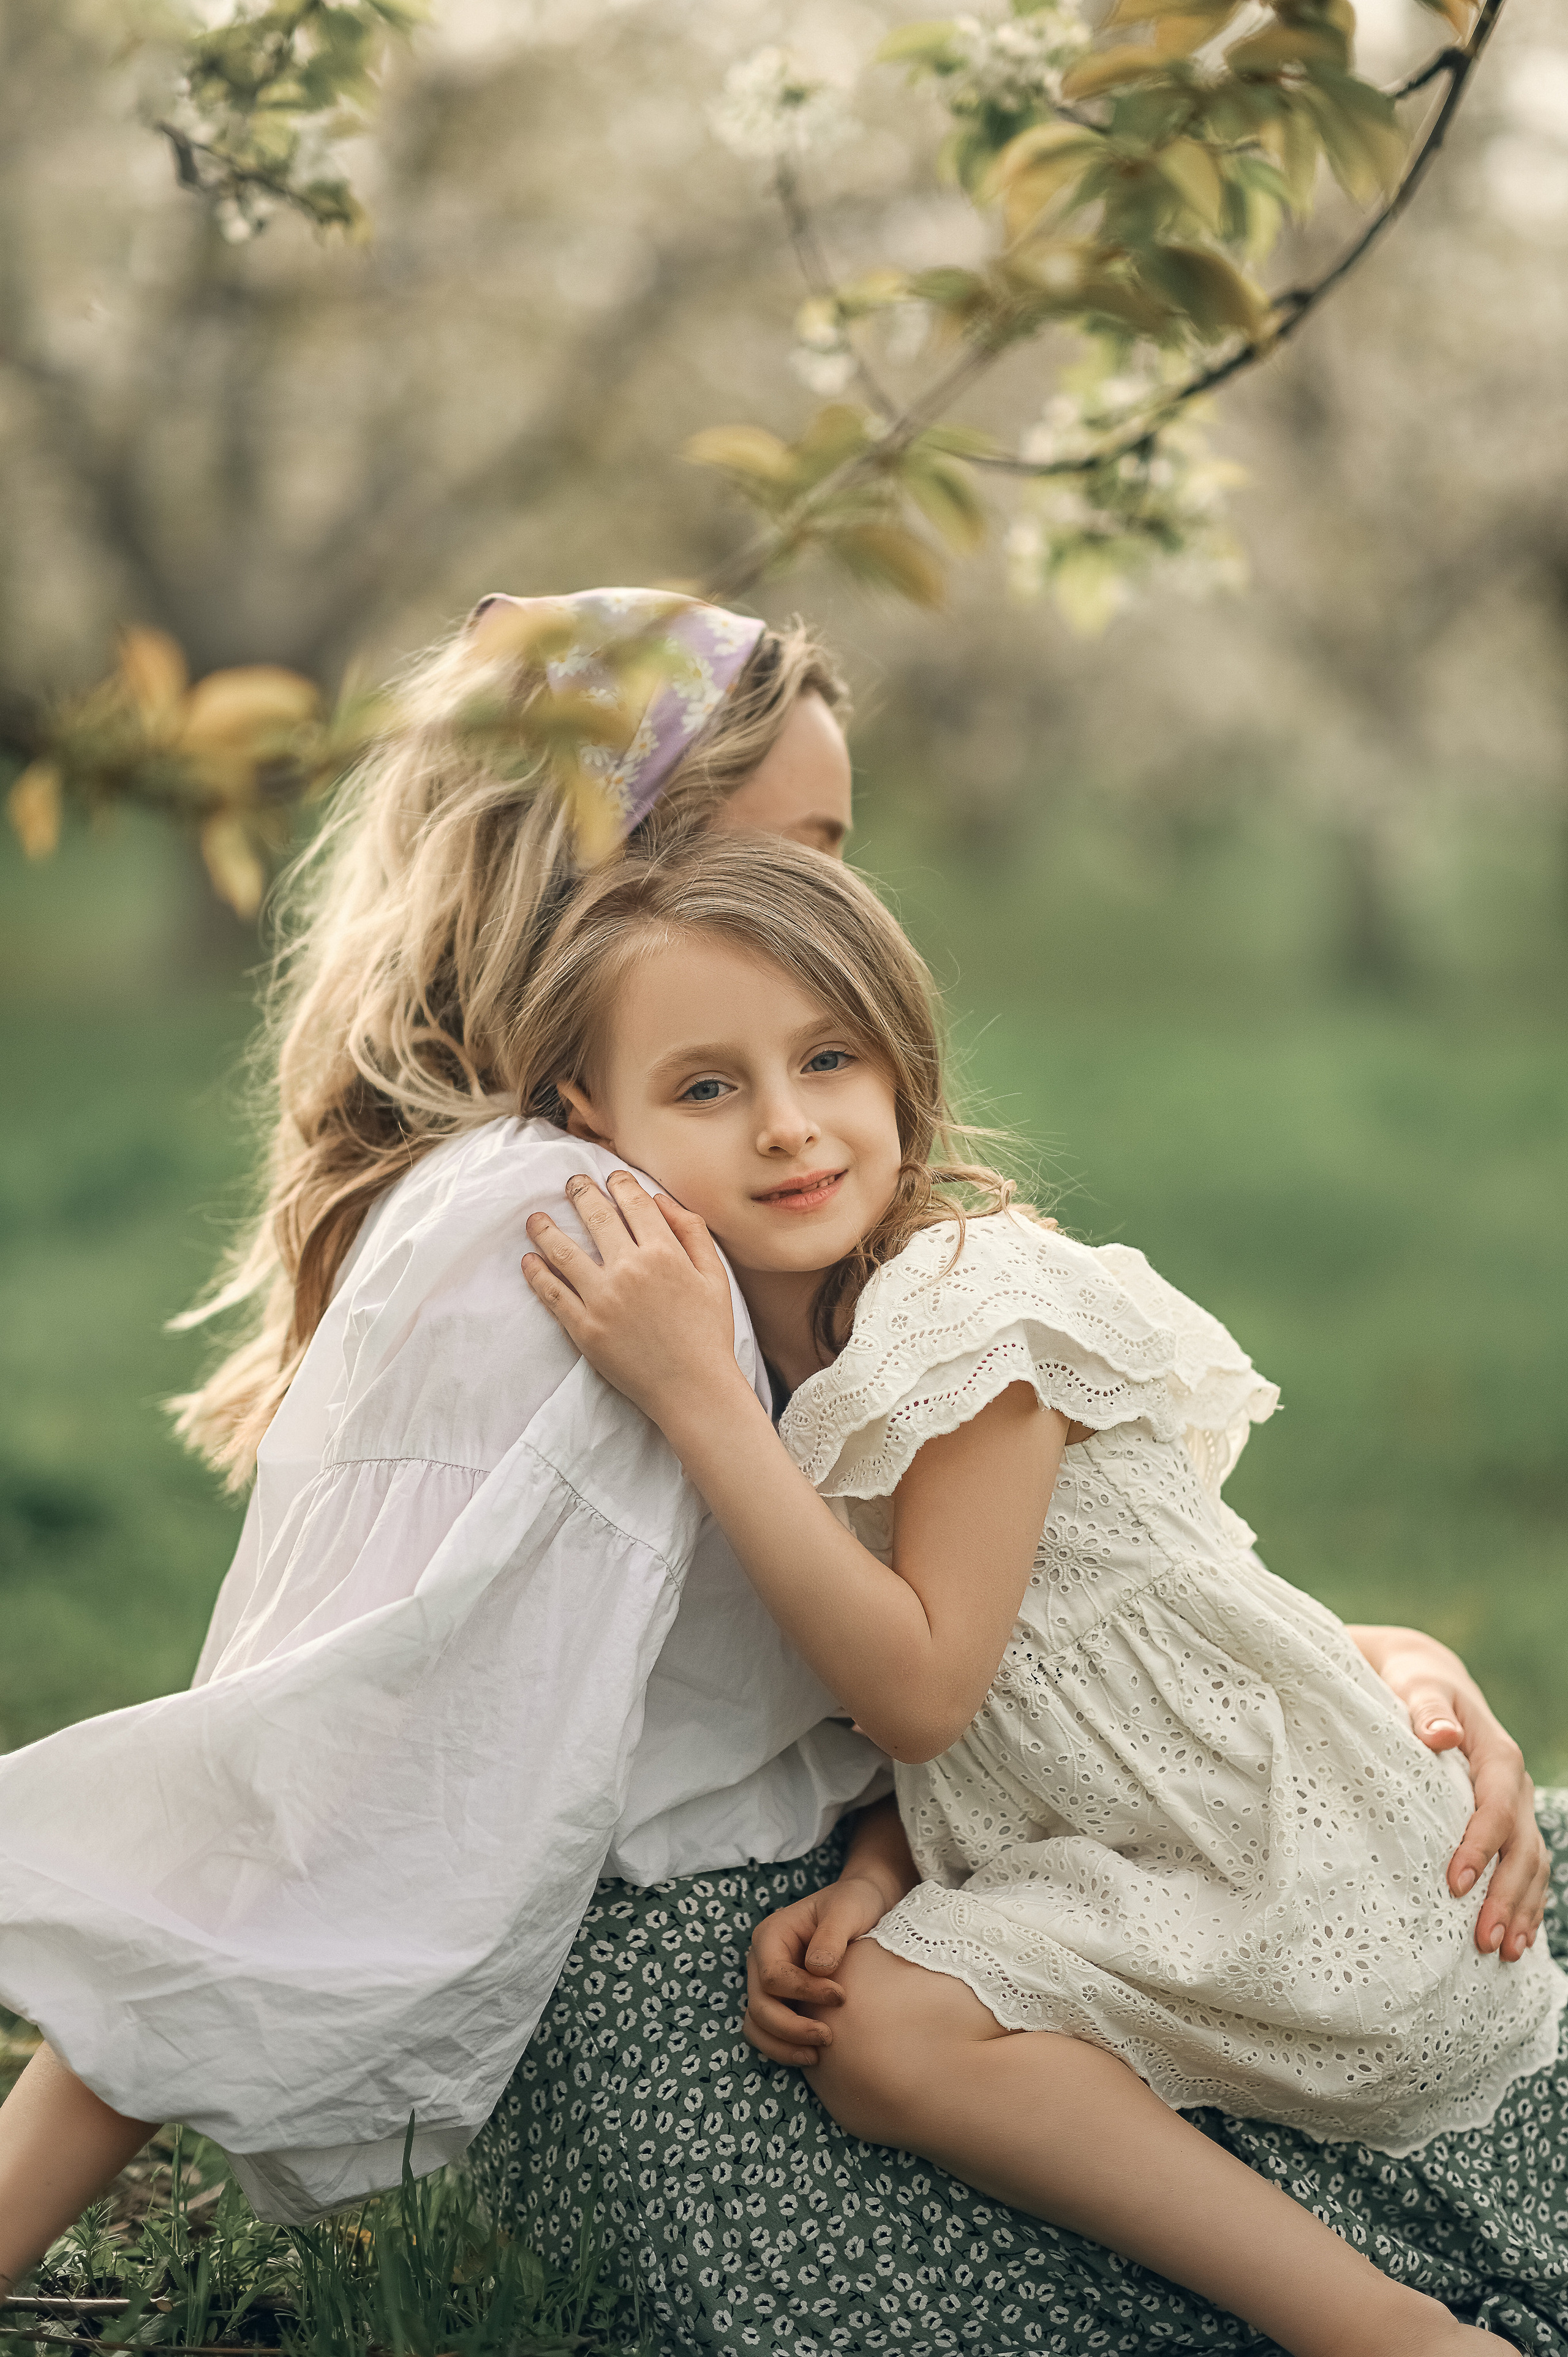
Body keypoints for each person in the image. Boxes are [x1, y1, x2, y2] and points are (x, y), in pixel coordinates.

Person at [0, 593, 1548, 2356]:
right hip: (970, 1905)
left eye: (838, 866)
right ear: (621, 863)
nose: (830, 912)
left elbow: (1065, 1617)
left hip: (1115, 1844)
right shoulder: (588, 1230)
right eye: (792, 848)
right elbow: (346, 1750)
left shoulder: (887, 1289)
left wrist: (1394, 1670)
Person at [512, 829, 1568, 2356]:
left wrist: (694, 1400)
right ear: (588, 1123)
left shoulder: (967, 1310)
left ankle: (1389, 2335)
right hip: (1114, 1835)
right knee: (872, 2034)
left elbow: (930, 1687)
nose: (787, 1125)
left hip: (1256, 1837)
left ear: (900, 1065)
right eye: (704, 1087)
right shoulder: (793, 1354)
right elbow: (1013, 1699)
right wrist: (876, 1871)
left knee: (891, 2033)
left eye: (828, 1058)